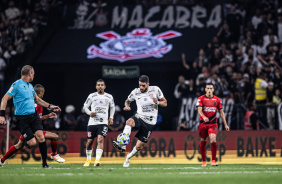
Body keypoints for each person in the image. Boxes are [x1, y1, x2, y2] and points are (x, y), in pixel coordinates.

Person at [0, 65, 61, 168]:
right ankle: (3, 159)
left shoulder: (30, 86)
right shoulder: (16, 85)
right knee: (31, 143)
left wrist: (50, 106)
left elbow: (37, 100)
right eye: (33, 73)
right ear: (29, 74)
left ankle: (45, 164)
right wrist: (2, 115)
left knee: (41, 137)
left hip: (34, 116)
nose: (34, 75)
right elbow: (4, 99)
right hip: (22, 119)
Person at [113, 75, 167, 167]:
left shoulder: (155, 90)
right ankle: (122, 144)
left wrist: (157, 102)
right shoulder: (135, 92)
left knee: (139, 146)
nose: (141, 88)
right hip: (139, 117)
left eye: (143, 86)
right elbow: (127, 101)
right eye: (140, 85)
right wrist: (127, 105)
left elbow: (165, 103)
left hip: (150, 122)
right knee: (129, 122)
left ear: (148, 84)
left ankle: (128, 157)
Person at [83, 79, 115, 167]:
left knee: (100, 139)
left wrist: (111, 117)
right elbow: (85, 106)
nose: (100, 86)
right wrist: (90, 113)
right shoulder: (92, 96)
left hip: (103, 122)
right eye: (98, 85)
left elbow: (112, 107)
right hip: (92, 123)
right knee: (89, 142)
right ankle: (88, 159)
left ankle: (97, 160)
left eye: (102, 85)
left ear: (105, 86)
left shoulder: (109, 97)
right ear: (96, 86)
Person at [196, 83, 229, 167]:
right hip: (203, 123)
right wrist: (203, 117)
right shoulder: (201, 99)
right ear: (205, 89)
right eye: (208, 88)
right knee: (203, 141)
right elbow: (199, 110)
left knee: (213, 139)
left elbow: (221, 113)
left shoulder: (217, 100)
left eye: (211, 88)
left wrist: (226, 124)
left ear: (213, 90)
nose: (209, 90)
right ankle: (204, 162)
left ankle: (213, 161)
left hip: (213, 123)